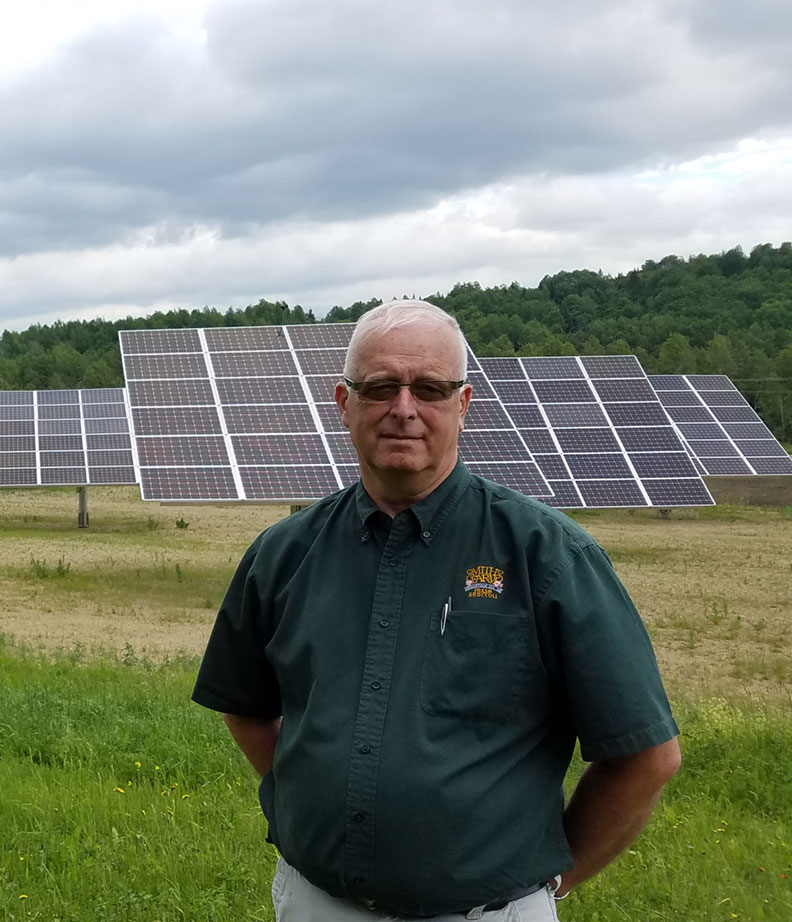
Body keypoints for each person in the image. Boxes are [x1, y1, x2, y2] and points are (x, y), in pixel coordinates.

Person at [192, 299, 681, 920]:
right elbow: (246, 705)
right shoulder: (284, 554)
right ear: (344, 404)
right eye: (379, 388)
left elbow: (646, 756)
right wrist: (308, 792)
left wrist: (545, 882)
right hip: (317, 904)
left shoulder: (548, 556)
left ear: (463, 404)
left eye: (428, 388)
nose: (403, 409)